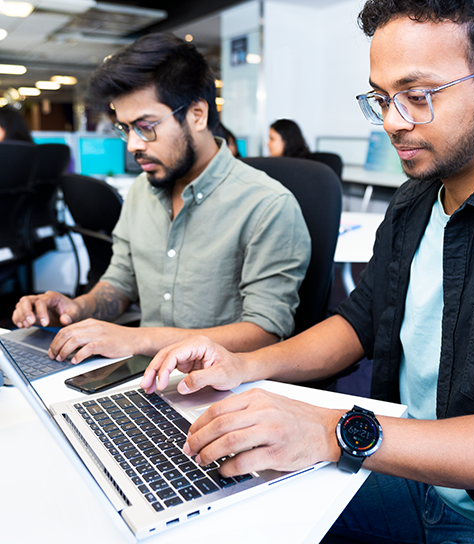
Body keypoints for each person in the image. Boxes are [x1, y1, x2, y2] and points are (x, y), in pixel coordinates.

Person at [139, 0, 474, 543]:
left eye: (417, 94)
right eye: (381, 97)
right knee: (204, 512)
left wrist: (333, 431)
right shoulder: (415, 201)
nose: (392, 122)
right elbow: (363, 321)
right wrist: (245, 366)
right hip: (401, 470)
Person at [12, 33, 311, 364]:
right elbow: (121, 282)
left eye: (146, 126)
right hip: (144, 377)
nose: (133, 146)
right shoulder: (143, 190)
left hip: (221, 388)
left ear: (197, 114)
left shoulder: (266, 205)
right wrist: (75, 308)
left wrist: (136, 339)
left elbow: (264, 333)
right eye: (126, 129)